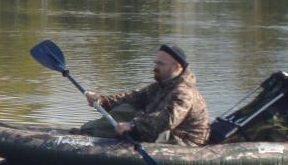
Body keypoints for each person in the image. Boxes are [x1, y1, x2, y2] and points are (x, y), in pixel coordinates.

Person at [77, 43, 210, 146]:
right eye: (155, 62)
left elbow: (166, 119)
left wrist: (133, 126)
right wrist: (102, 100)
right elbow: (133, 97)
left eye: (160, 64)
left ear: (176, 68)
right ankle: (89, 131)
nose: (155, 67)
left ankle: (99, 136)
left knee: (153, 130)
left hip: (185, 142)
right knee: (126, 109)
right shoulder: (161, 86)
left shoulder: (185, 92)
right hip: (164, 132)